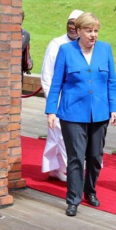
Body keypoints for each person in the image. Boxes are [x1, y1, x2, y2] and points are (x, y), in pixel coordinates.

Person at [45, 12, 116, 217]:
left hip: (100, 113)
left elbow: (112, 81)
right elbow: (56, 83)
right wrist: (51, 110)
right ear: (78, 31)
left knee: (95, 157)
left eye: (95, 31)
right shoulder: (66, 50)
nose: (93, 35)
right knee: (76, 158)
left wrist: (115, 108)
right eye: (88, 31)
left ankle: (90, 191)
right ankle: (73, 199)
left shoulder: (105, 49)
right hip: (72, 114)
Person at [40, 9, 84, 182]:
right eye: (70, 23)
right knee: (62, 137)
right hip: (60, 102)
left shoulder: (85, 44)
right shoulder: (56, 44)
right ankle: (73, 174)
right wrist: (53, 102)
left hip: (78, 102)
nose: (72, 27)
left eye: (76, 23)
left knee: (65, 138)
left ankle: (56, 169)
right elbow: (47, 74)